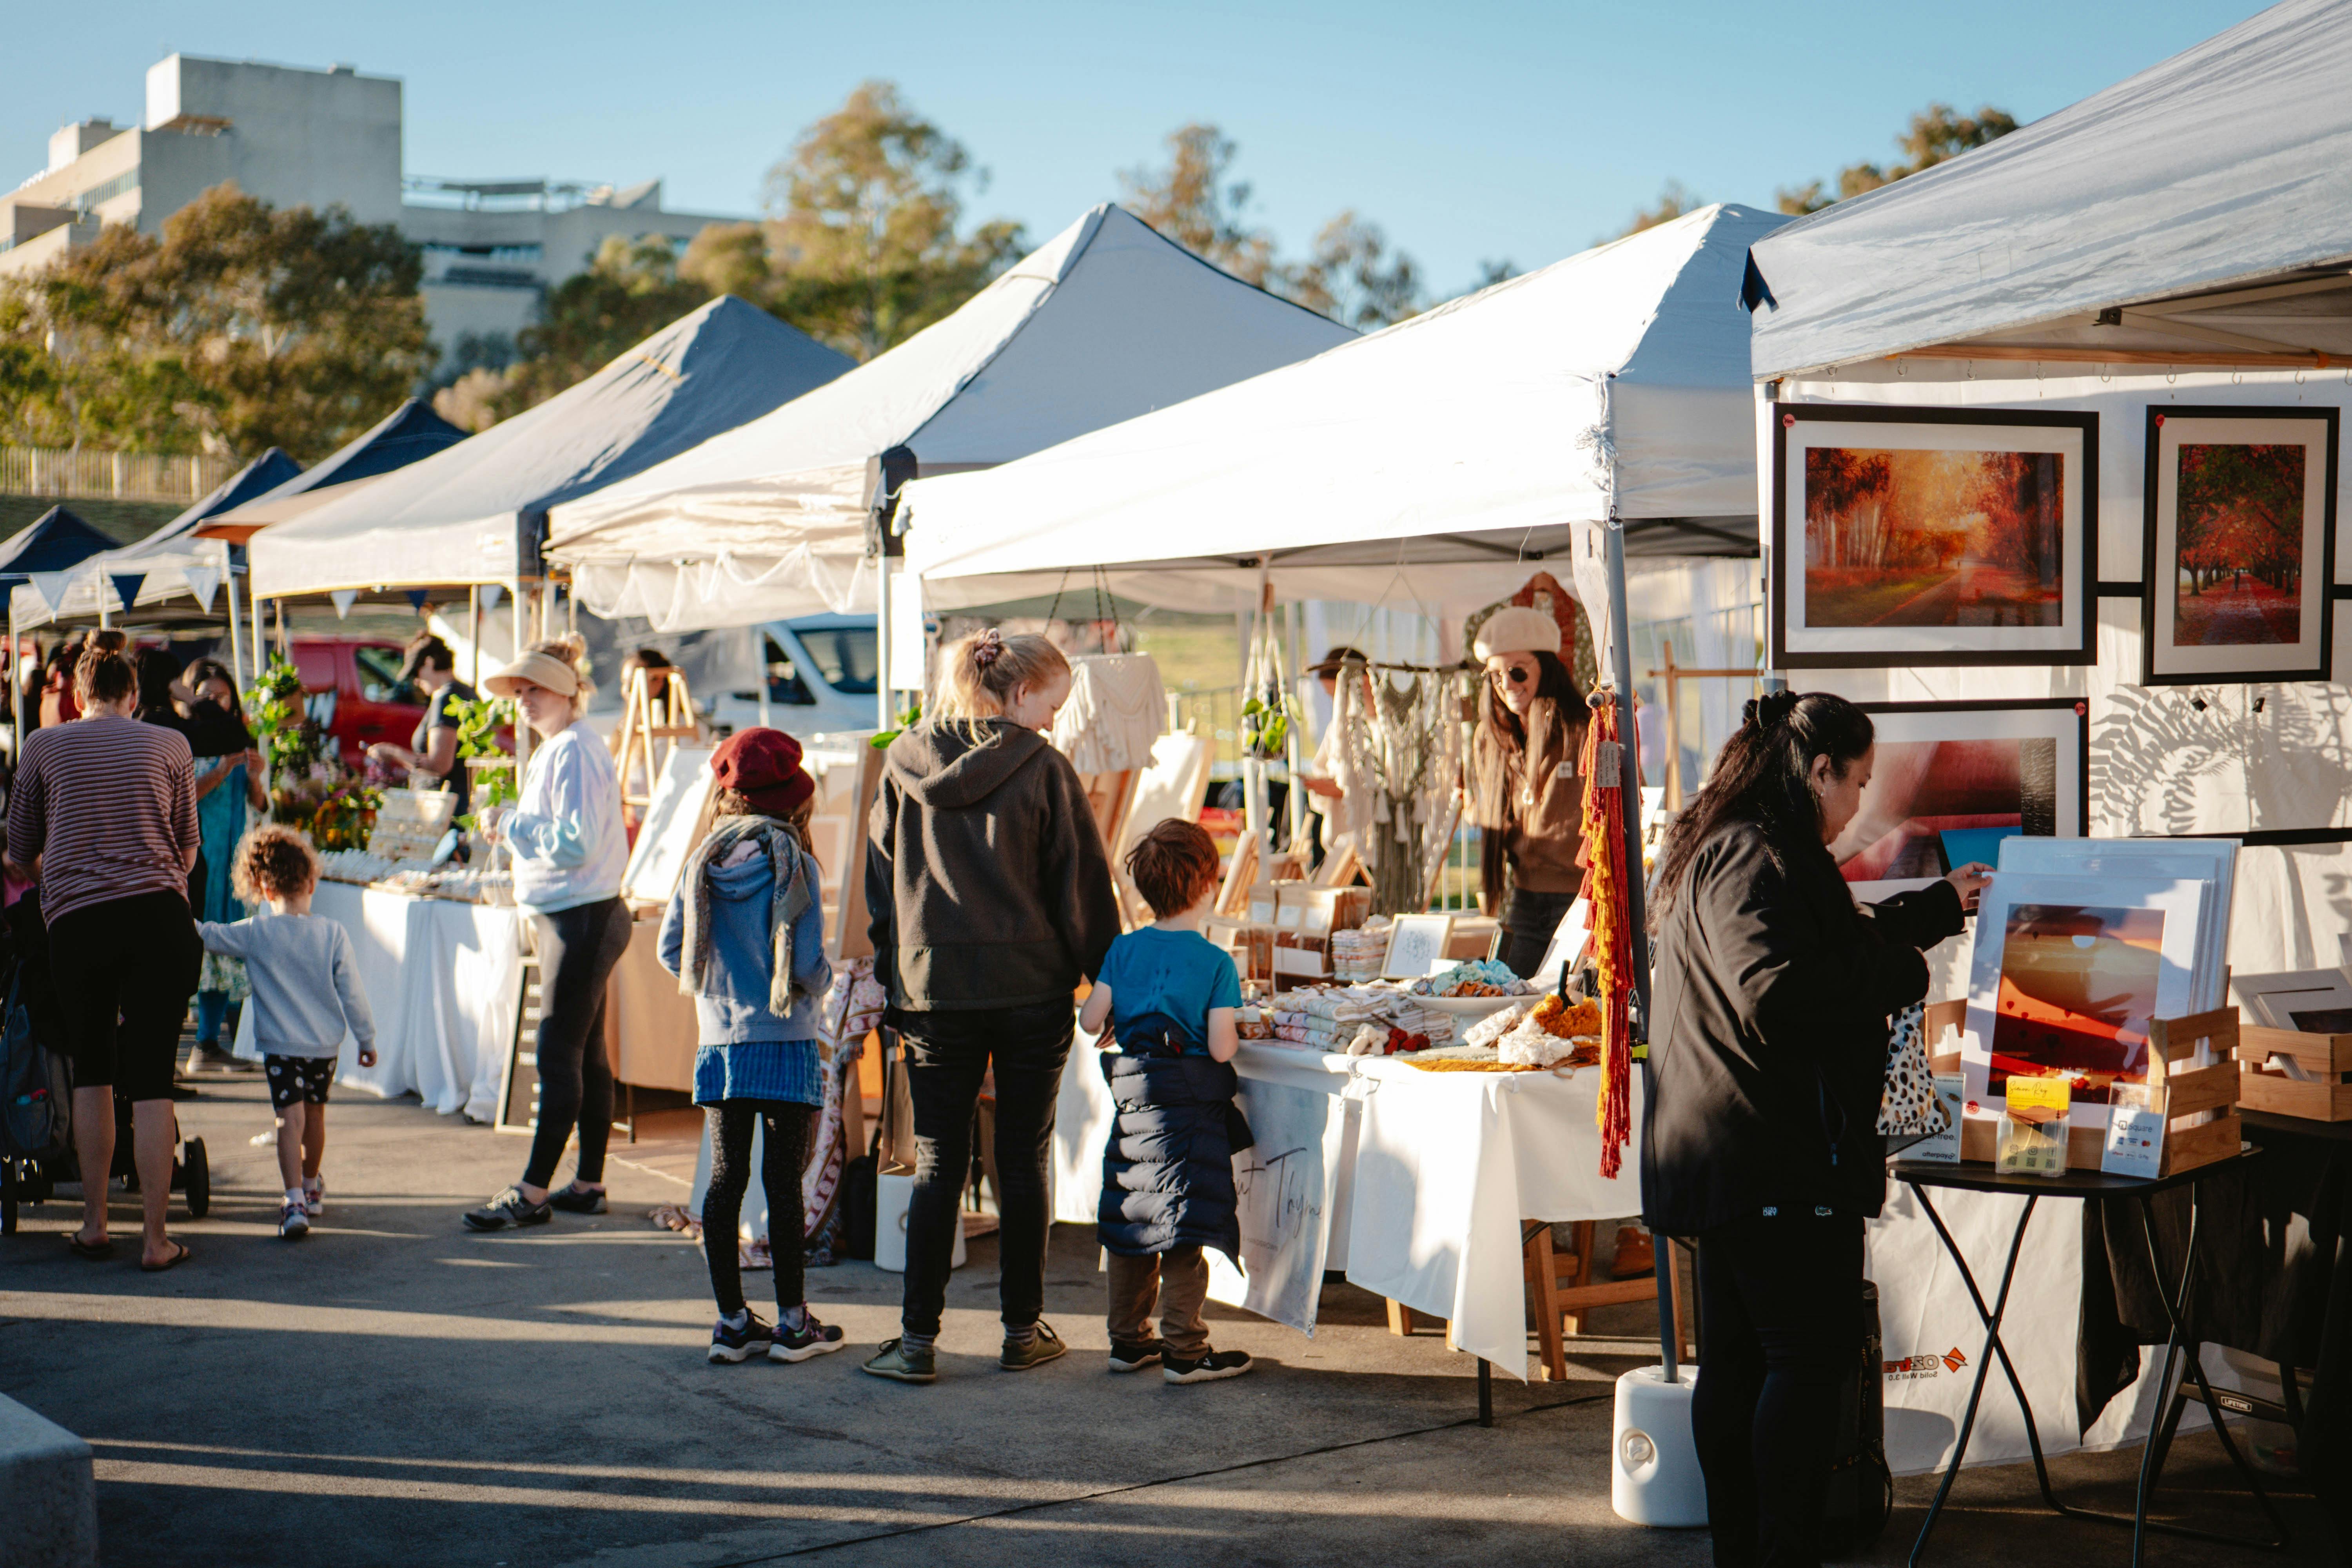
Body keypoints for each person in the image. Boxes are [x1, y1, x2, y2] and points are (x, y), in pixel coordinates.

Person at [1645, 690, 1988, 1568]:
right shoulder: (1755, 854)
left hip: (1737, 1152)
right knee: (1798, 1361)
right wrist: (1904, 972)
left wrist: (1934, 908)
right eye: (1858, 781)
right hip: (1772, 1156)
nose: (1861, 804)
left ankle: (1747, 1551)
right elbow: (1778, 987)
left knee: (1742, 1362)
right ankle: (1775, 1549)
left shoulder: (1740, 846)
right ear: (1818, 768)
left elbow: (1826, 937)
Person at [859, 629, 1120, 1384]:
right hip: (1032, 989)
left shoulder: (901, 762)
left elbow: (883, 888)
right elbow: (1082, 889)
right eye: (1050, 702)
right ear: (1012, 692)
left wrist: (894, 974)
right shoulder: (1045, 770)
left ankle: (916, 1342)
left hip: (933, 988)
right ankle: (1020, 1330)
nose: (1054, 719)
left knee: (938, 1159)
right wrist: (1106, 980)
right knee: (1022, 1157)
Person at [4, 641, 202, 1271]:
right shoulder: (170, 743)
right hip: (158, 918)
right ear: (134, 695)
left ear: (78, 695)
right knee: (151, 1077)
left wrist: (67, 871)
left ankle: (93, 1224)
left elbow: (17, 851)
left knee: (93, 1067)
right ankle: (155, 1240)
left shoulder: (42, 745)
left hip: (79, 924)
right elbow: (188, 853)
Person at [656, 728, 842, 1365]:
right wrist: (822, 984)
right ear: (791, 799)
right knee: (781, 1182)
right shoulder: (798, 862)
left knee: (726, 1177)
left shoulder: (700, 864)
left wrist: (717, 990)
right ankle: (793, 1325)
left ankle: (732, 1323)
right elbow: (812, 964)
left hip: (720, 1044)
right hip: (787, 1041)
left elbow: (669, 950)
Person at [463, 636, 631, 1231]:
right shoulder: (567, 746)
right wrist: (514, 826)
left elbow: (576, 842)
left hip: (581, 914)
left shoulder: (573, 750)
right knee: (585, 1054)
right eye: (519, 690)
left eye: (533, 688)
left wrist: (510, 824)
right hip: (579, 912)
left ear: (566, 690)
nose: (523, 700)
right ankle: (586, 1182)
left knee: (560, 1051)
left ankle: (533, 1191)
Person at [1078, 819, 1255, 1385]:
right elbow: (1223, 1047)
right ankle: (1185, 1349)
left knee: (1132, 1219)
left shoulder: (1122, 949)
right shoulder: (1214, 962)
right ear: (1208, 882)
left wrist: (1118, 1018)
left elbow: (1089, 1021)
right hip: (1187, 1111)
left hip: (1133, 1108)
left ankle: (1128, 1342)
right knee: (1184, 1225)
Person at [196, 827, 377, 1240]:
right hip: (323, 1046)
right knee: (315, 1116)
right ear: (311, 881)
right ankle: (312, 1188)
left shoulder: (257, 932)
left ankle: (293, 1199)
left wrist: (180, 917)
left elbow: (210, 935)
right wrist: (366, 1039)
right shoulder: (332, 933)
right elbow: (353, 991)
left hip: (281, 1047)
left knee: (287, 1120)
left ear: (260, 886)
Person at [1467, 606, 1589, 978]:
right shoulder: (1491, 738)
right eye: (1496, 675)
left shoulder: (1584, 729)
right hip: (1524, 897)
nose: (1507, 684)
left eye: (1517, 671)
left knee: (1567, 1011)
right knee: (1511, 1003)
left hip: (1578, 899)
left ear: (1547, 668)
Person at [368, 633, 477, 821]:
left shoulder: (446, 698)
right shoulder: (467, 692)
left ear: (429, 663)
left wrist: (392, 753)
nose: (416, 682)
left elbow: (440, 764)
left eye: (416, 673)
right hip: (461, 803)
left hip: (445, 812)